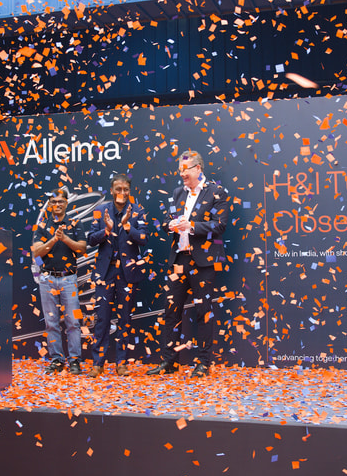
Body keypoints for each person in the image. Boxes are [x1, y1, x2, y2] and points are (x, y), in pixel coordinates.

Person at [147, 150, 229, 379]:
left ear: (198, 168)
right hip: (179, 260)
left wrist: (191, 226)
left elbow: (219, 225)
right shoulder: (177, 193)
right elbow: (167, 220)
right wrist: (170, 225)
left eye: (185, 169)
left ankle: (203, 363)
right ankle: (170, 361)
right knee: (171, 311)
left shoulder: (217, 192)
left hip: (203, 263)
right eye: (180, 170)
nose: (181, 174)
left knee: (203, 312)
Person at [86, 173, 149, 377]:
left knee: (124, 319)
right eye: (118, 189)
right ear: (112, 190)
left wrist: (129, 227)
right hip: (105, 273)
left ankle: (121, 363)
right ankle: (98, 363)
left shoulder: (137, 211)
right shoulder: (101, 210)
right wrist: (106, 230)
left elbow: (144, 238)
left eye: (125, 189)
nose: (122, 192)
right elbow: (90, 239)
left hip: (128, 273)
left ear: (129, 191)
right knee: (102, 319)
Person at [31, 188, 87, 375]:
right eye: (54, 202)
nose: (57, 205)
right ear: (49, 204)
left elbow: (82, 249)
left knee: (73, 322)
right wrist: (54, 239)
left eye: (60, 201)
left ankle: (75, 360)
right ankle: (56, 360)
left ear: (66, 203)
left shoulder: (75, 223)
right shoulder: (42, 225)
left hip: (69, 279)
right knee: (51, 322)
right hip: (47, 279)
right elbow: (37, 252)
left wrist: (65, 238)